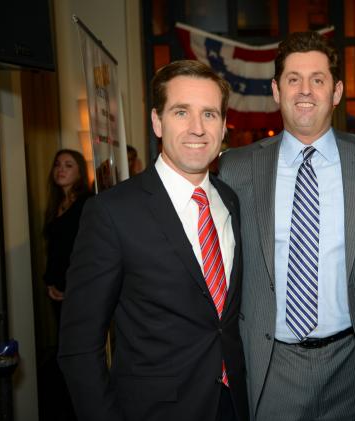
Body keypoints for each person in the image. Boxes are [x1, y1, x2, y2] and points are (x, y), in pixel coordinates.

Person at [219, 31, 355, 420]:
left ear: (336, 92)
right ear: (276, 90)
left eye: (318, 80)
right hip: (272, 365)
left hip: (353, 365)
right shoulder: (236, 168)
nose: (305, 90)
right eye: (293, 79)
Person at [58, 60, 248, 421]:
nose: (197, 128)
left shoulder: (230, 202)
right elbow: (78, 347)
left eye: (209, 114)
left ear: (224, 126)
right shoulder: (112, 213)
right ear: (157, 121)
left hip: (234, 404)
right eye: (181, 112)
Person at [43, 149, 91, 320]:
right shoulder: (55, 204)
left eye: (68, 165)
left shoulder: (87, 203)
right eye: (57, 165)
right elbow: (54, 248)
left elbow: (85, 250)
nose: (60, 169)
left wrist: (69, 285)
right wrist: (50, 282)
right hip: (57, 286)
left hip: (78, 287)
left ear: (80, 172)